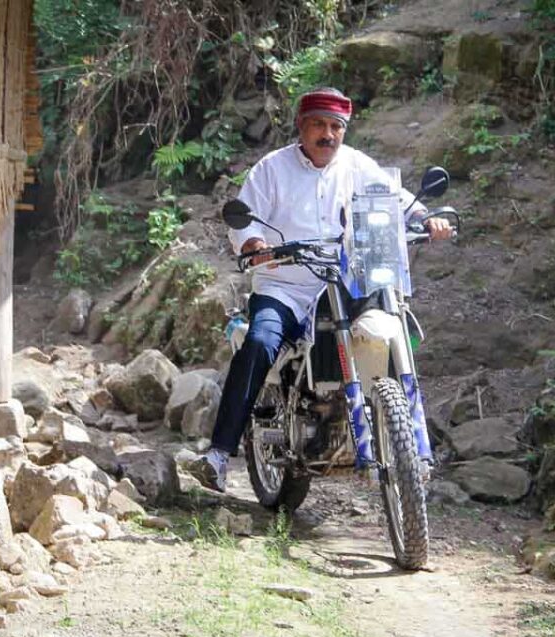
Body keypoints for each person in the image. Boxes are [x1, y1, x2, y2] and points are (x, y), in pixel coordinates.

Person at [189, 87, 454, 492]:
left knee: (391, 325)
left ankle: (402, 438)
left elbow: (393, 197)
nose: (327, 135)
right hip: (286, 286)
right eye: (319, 125)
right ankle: (219, 454)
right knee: (259, 343)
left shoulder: (356, 165)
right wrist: (254, 245)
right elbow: (244, 220)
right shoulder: (271, 169)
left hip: (346, 281)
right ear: (301, 126)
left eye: (336, 127)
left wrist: (426, 216)